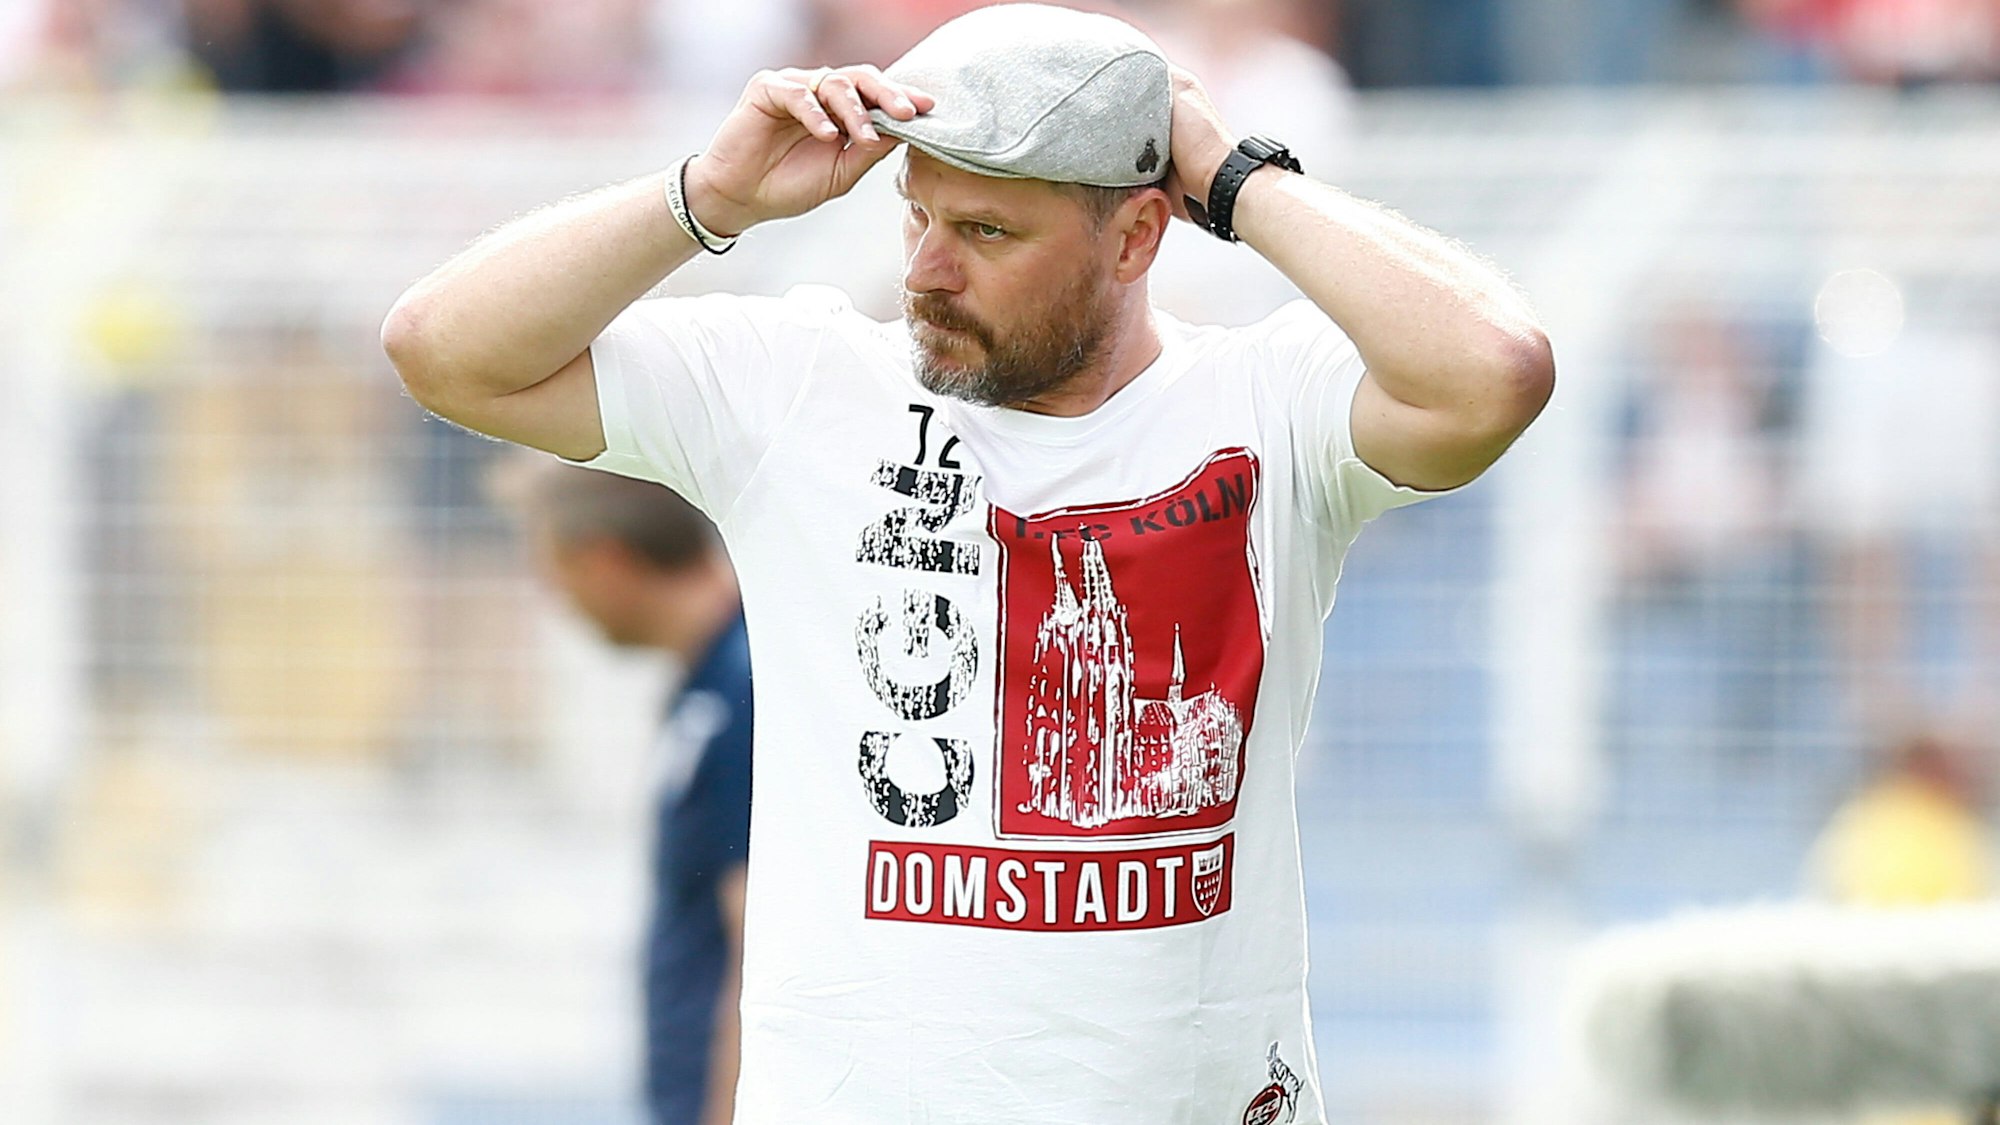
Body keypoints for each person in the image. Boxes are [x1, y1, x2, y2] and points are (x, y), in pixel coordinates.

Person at [383, 4, 1553, 1119]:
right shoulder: (799, 386)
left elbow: (1493, 372)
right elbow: (446, 352)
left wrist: (1241, 180)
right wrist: (707, 197)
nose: (927, 272)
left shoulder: (1265, 403)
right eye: (917, 216)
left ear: (1137, 232)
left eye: (988, 232)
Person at [496, 458, 752, 1125]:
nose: (562, 603)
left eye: (559, 577)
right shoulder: (709, 683)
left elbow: (755, 949)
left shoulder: (743, 690)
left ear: (606, 562)